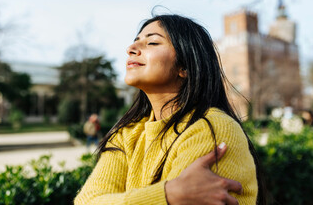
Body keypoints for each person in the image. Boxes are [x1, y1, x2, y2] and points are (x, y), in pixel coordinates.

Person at [75, 14, 265, 204]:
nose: (131, 49)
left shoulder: (212, 128)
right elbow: (86, 201)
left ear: (184, 66)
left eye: (152, 43)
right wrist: (167, 195)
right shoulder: (126, 135)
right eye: (135, 41)